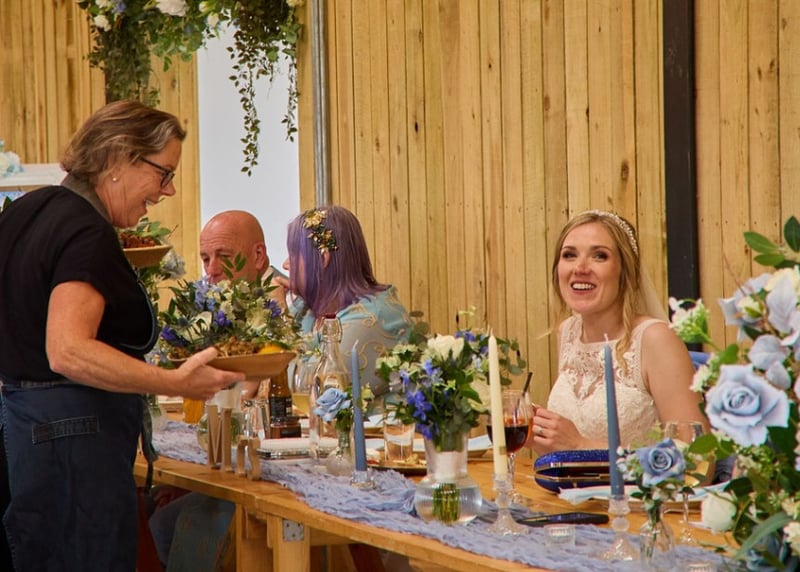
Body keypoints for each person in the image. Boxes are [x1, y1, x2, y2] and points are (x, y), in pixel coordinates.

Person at [0, 101, 243, 571]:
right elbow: (67, 350)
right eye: (163, 173)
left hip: (26, 430)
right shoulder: (85, 231)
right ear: (118, 158)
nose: (168, 190)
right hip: (74, 445)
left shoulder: (24, 212)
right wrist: (175, 382)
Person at [149, 209, 283, 568]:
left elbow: (252, 397)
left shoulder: (276, 316)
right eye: (206, 258)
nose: (212, 270)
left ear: (258, 255)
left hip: (259, 475)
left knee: (177, 521)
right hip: (210, 465)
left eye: (223, 257)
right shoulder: (205, 319)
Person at [529, 210, 707, 455]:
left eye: (599, 256)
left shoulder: (655, 339)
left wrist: (580, 445)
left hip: (638, 483)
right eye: (569, 255)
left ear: (625, 271)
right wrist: (545, 437)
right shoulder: (567, 332)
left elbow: (698, 458)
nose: (580, 268)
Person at [280, 205, 413, 406]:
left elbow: (317, 390)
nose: (285, 264)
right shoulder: (305, 310)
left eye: (293, 254)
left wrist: (280, 314)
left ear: (322, 258)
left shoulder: (372, 318)